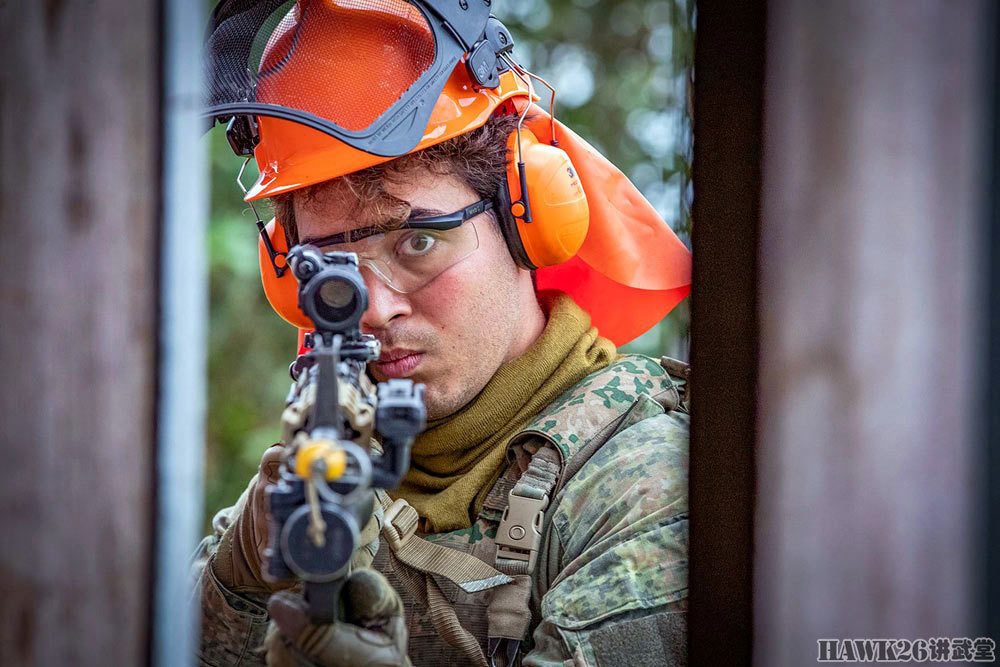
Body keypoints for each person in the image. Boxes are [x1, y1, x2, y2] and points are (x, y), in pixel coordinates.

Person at [194, 1, 692, 665]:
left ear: (526, 215)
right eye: (329, 266)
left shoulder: (642, 482)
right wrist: (245, 569)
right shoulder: (328, 463)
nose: (373, 310)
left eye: (418, 241)